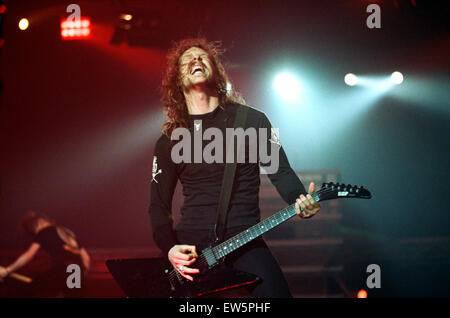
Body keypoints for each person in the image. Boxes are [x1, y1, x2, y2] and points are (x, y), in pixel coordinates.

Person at [149, 38, 320, 298]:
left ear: (216, 70)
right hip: (192, 250)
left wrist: (301, 200)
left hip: (244, 239)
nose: (196, 60)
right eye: (188, 60)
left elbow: (281, 171)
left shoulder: (252, 121)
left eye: (202, 57)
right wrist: (170, 248)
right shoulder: (171, 138)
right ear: (176, 80)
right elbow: (158, 206)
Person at [0, 211, 90, 297]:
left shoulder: (44, 231)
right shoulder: (69, 234)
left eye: (34, 231)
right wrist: (80, 276)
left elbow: (28, 255)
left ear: (38, 224)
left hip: (61, 271)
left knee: (25, 290)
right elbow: (86, 259)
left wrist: (8, 270)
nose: (36, 233)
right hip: (77, 272)